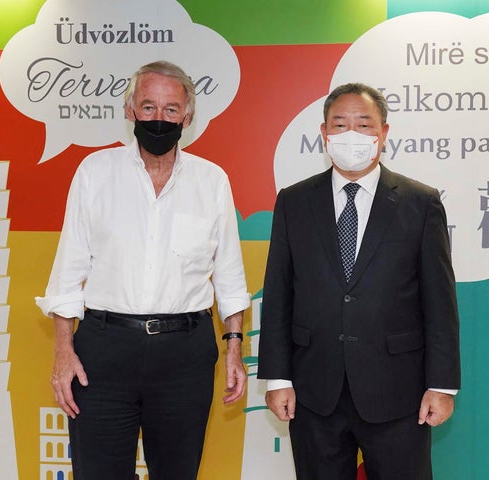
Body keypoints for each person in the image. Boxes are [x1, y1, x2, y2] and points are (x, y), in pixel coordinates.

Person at [35, 60, 250, 480]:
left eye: (171, 109)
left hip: (184, 355)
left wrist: (234, 349)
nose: (159, 118)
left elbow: (229, 275)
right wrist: (63, 352)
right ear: (129, 110)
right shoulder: (94, 173)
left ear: (187, 117)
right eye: (148, 106)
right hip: (103, 351)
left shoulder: (212, 181)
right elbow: (67, 271)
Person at [257, 82, 461, 480]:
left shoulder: (420, 203)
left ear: (384, 133)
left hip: (398, 392)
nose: (351, 135)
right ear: (324, 134)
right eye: (340, 124)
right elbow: (279, 292)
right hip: (314, 392)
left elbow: (440, 301)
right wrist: (278, 378)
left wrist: (443, 385)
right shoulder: (295, 201)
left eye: (364, 124)